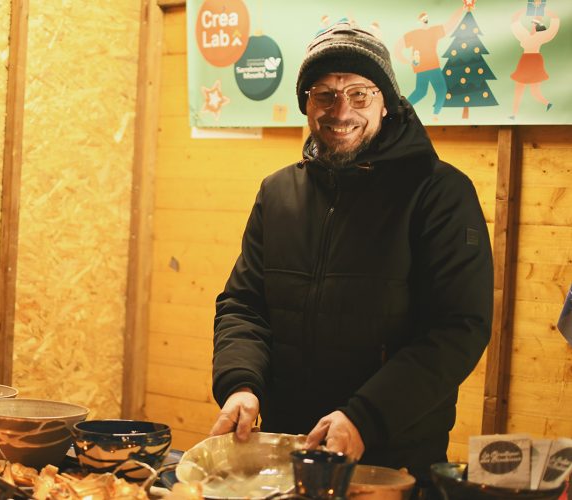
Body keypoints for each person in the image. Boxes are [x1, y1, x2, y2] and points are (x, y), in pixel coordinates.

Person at [210, 21, 493, 496]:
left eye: (359, 94)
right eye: (324, 95)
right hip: (289, 452)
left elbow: (458, 327)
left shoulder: (440, 193)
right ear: (306, 104)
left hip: (391, 456)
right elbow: (244, 304)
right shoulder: (278, 193)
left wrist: (366, 416)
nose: (341, 110)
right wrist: (241, 384)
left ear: (387, 102)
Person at [394, 7, 463, 122]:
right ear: (418, 22)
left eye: (426, 18)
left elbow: (450, 24)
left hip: (433, 66)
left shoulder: (434, 31)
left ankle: (435, 114)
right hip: (422, 67)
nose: (424, 20)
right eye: (422, 19)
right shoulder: (414, 34)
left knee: (440, 90)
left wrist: (462, 9)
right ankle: (401, 111)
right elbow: (397, 48)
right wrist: (407, 60)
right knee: (421, 92)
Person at [509, 8, 560, 119]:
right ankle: (514, 114)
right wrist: (523, 11)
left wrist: (547, 12)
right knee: (519, 88)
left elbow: (554, 26)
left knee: (534, 91)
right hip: (525, 61)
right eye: (533, 23)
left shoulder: (541, 36)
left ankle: (547, 103)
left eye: (535, 24)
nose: (532, 25)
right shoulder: (525, 35)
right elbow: (515, 23)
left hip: (533, 61)